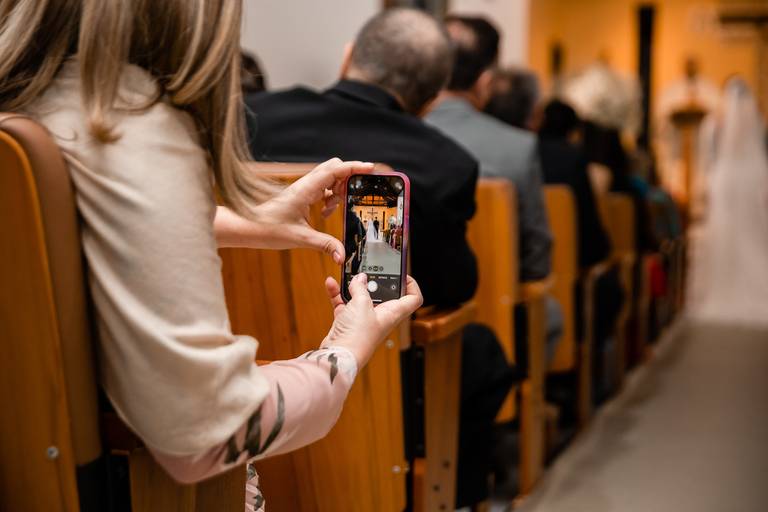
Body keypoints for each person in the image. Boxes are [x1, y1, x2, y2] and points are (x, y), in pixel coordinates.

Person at [3, 2, 423, 510]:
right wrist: (342, 352)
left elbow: (65, 228)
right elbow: (206, 430)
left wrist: (254, 222)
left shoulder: (30, 112)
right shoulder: (130, 128)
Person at [246, 8, 515, 508]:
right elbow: (455, 286)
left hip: (244, 366)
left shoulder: (249, 117)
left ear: (349, 55)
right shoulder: (447, 161)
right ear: (432, 98)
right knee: (480, 352)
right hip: (376, 389)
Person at [424, 15, 560, 504]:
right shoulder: (518, 147)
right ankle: (514, 432)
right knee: (549, 313)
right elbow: (537, 254)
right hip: (492, 324)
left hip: (408, 323)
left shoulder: (398, 134)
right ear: (485, 81)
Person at [687, 78, 768, 327]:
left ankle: (725, 285)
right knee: (749, 234)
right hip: (750, 178)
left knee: (727, 234)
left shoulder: (714, 125)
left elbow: (708, 157)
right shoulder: (756, 122)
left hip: (724, 179)